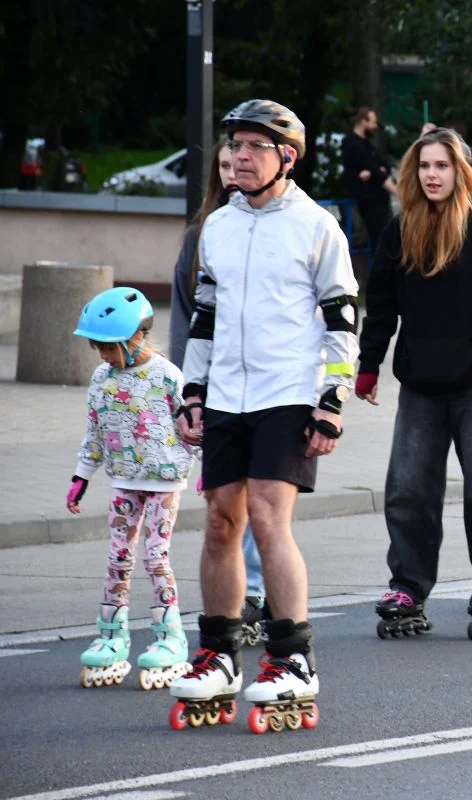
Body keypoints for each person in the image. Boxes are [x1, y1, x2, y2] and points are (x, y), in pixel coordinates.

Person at [170, 99, 358, 732]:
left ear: (287, 156)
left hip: (288, 392)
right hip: (227, 394)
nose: (239, 157)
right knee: (220, 521)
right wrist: (192, 391)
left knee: (270, 518)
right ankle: (219, 655)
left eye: (254, 146)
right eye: (234, 146)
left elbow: (342, 321)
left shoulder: (316, 226)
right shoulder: (219, 227)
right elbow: (205, 317)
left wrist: (331, 401)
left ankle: (293, 658)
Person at [355, 127, 472, 636]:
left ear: (460, 172)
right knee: (408, 487)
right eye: (425, 166)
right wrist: (369, 364)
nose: (433, 175)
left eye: (442, 166)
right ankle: (408, 585)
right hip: (421, 385)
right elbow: (381, 303)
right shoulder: (401, 229)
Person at [168, 142, 271, 646]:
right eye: (224, 166)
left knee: (261, 499)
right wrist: (183, 391)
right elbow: (186, 317)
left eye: (240, 163)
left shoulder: (279, 227)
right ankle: (234, 598)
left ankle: (254, 591)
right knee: (223, 505)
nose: (234, 172)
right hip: (214, 386)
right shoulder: (203, 235)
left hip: (267, 387)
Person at [68, 287, 196, 691]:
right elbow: (94, 431)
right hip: (123, 479)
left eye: (109, 347)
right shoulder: (101, 379)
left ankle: (170, 637)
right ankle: (112, 636)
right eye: (98, 348)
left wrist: (208, 467)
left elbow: (193, 427)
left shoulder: (168, 376)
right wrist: (81, 477)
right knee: (117, 558)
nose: (103, 356)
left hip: (164, 481)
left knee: (156, 557)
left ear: (137, 336)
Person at [341, 106, 396, 264]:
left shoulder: (367, 144)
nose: (375, 126)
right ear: (363, 121)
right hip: (369, 200)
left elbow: (383, 165)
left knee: (385, 237)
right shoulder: (351, 143)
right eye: (373, 122)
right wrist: (376, 172)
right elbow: (376, 169)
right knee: (378, 239)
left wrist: (375, 171)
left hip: (379, 200)